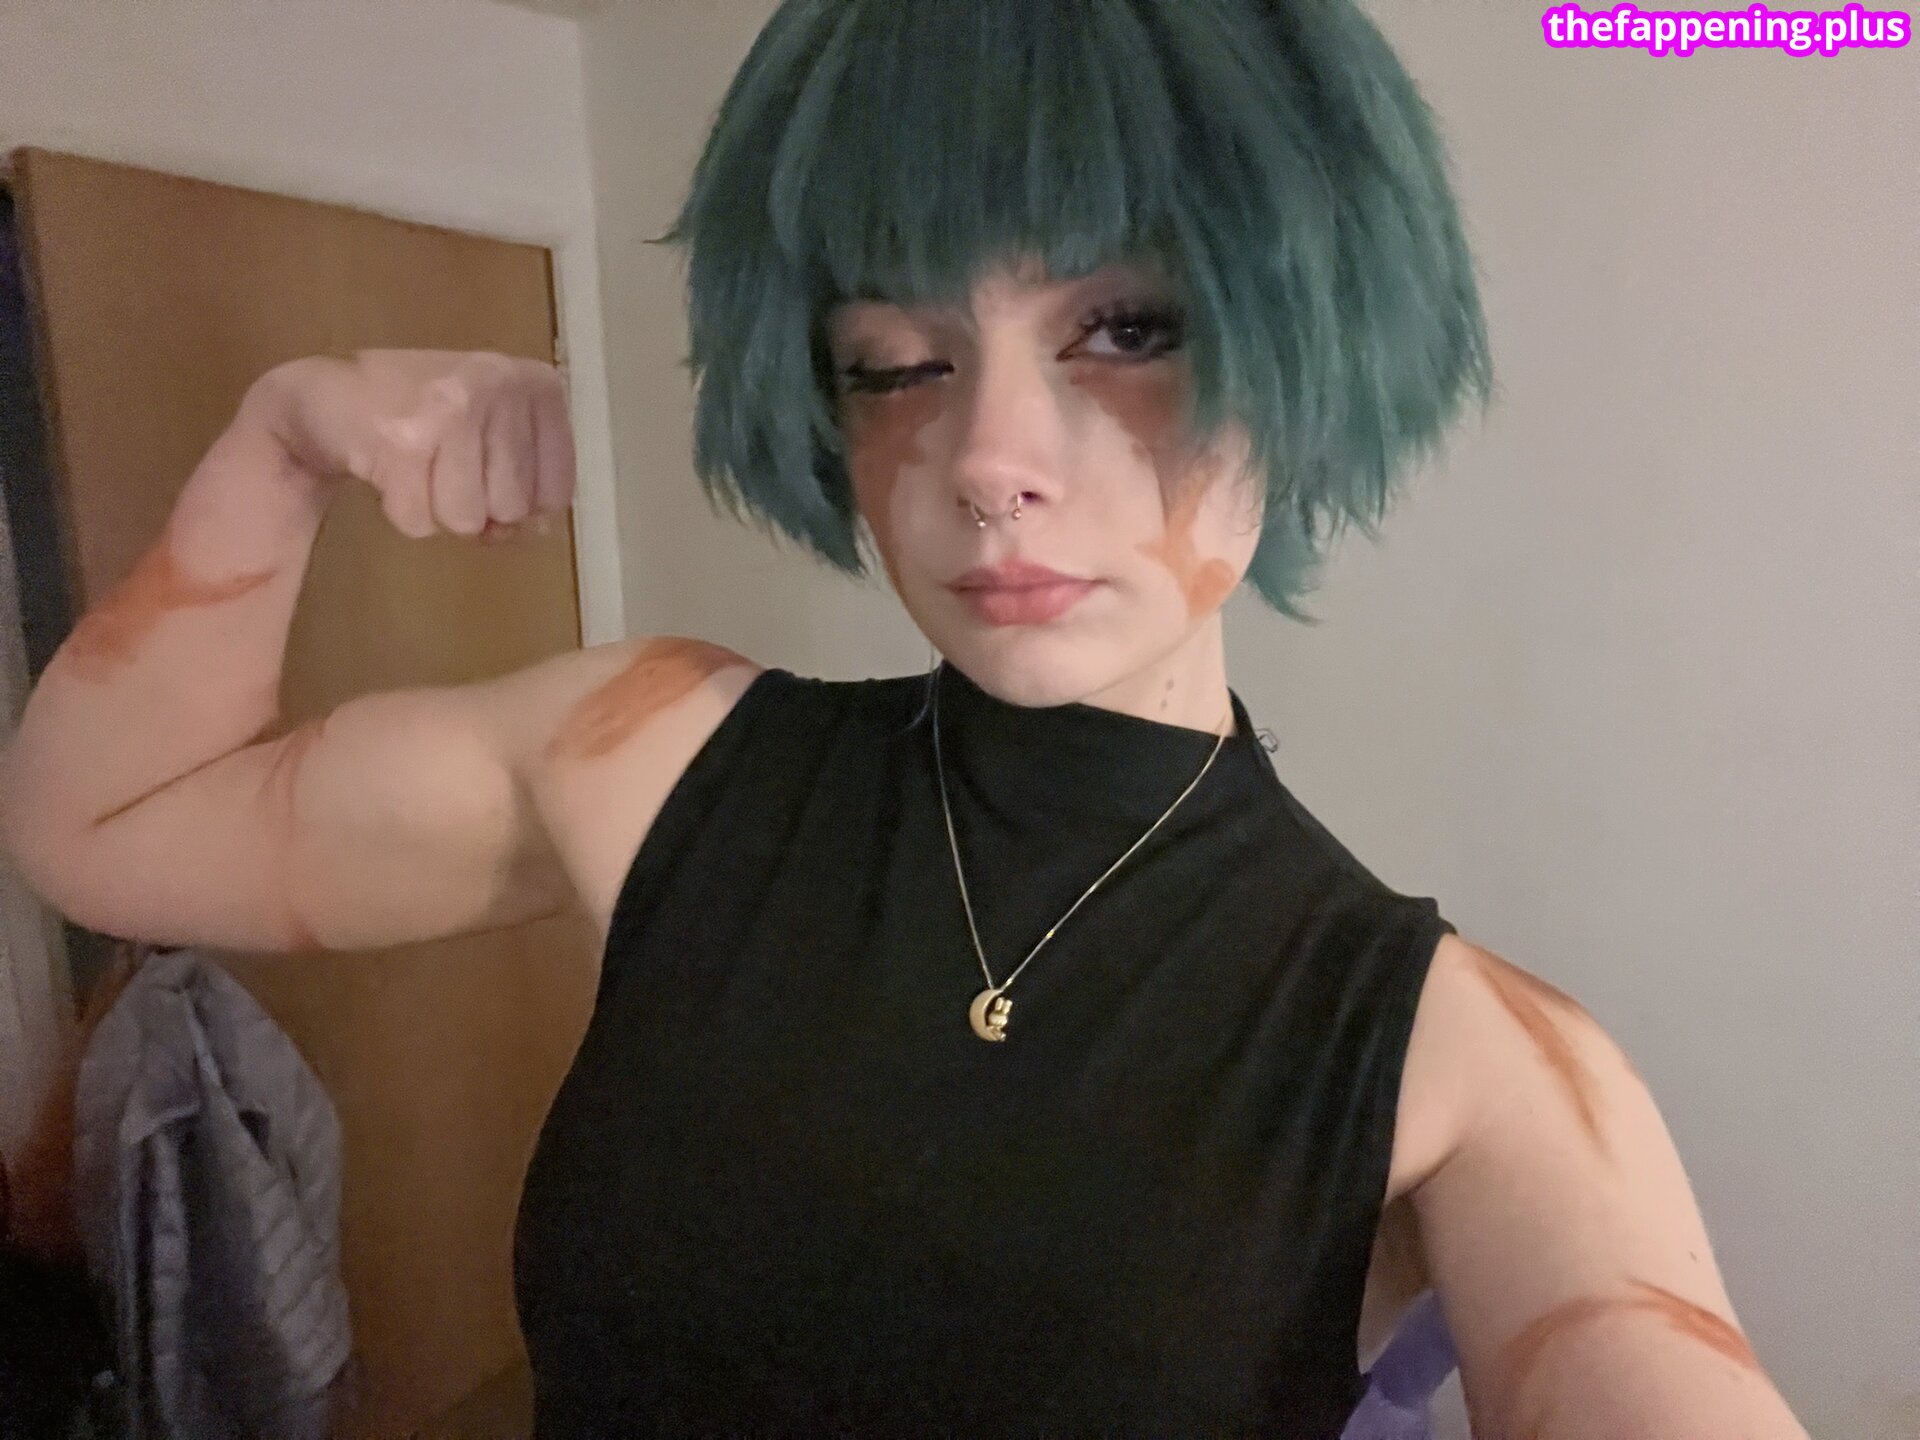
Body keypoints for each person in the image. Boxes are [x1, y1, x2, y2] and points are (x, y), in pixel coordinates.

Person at [0, 1, 1810, 1436]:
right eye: (898, 361)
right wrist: (285, 440)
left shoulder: (1468, 1067)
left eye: (1128, 329)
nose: (985, 457)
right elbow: (101, 829)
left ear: (1308, 348)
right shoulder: (655, 760)